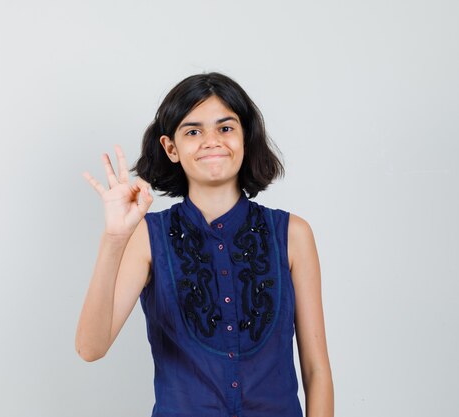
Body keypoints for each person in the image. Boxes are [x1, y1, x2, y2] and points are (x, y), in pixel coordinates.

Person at [75, 72, 333, 417]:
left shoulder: (292, 233)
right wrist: (114, 240)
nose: (211, 141)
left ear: (246, 137)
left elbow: (316, 371)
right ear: (171, 148)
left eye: (225, 128)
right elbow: (91, 348)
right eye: (193, 131)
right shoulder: (147, 237)